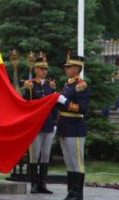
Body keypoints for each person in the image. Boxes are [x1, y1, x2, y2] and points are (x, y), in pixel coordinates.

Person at [22, 52, 57, 194]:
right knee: (34, 155)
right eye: (42, 69)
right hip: (35, 126)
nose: (44, 71)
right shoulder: (30, 85)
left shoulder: (51, 86)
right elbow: (26, 105)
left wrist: (55, 122)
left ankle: (43, 184)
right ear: (36, 69)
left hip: (48, 124)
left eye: (46, 69)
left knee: (46, 155)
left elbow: (54, 106)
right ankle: (34, 184)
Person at [56, 55, 90, 200]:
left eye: (69, 67)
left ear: (77, 68)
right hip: (64, 126)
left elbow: (83, 108)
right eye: (66, 67)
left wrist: (65, 102)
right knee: (69, 162)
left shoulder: (80, 85)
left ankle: (78, 194)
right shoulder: (68, 84)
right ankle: (71, 192)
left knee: (77, 163)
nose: (66, 69)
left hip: (75, 127)